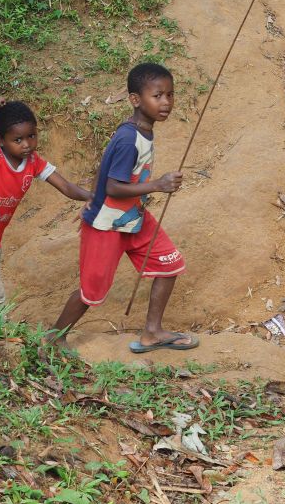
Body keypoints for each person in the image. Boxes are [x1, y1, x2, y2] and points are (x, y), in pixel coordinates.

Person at [48, 63, 198, 353]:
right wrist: (158, 185)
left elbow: (104, 167)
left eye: (170, 95)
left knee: (169, 264)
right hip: (106, 225)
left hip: (133, 218)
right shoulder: (129, 138)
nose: (166, 102)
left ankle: (152, 332)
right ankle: (54, 336)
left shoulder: (142, 131)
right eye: (158, 95)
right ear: (135, 99)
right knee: (91, 291)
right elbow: (114, 187)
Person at [0, 96, 90, 310]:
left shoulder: (34, 162)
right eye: (17, 140)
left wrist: (92, 197)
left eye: (31, 136)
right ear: (1, 140)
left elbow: (66, 187)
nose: (26, 144)